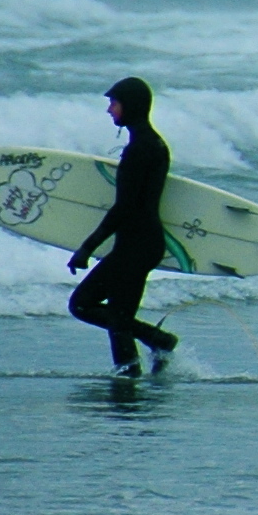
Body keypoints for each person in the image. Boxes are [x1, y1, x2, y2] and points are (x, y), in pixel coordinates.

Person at [68, 77, 181, 374]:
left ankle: (149, 350)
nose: (109, 110)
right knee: (113, 317)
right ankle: (138, 361)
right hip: (139, 243)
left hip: (136, 246)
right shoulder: (152, 143)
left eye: (114, 103)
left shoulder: (140, 149)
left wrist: (86, 247)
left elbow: (124, 207)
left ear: (130, 105)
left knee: (86, 306)